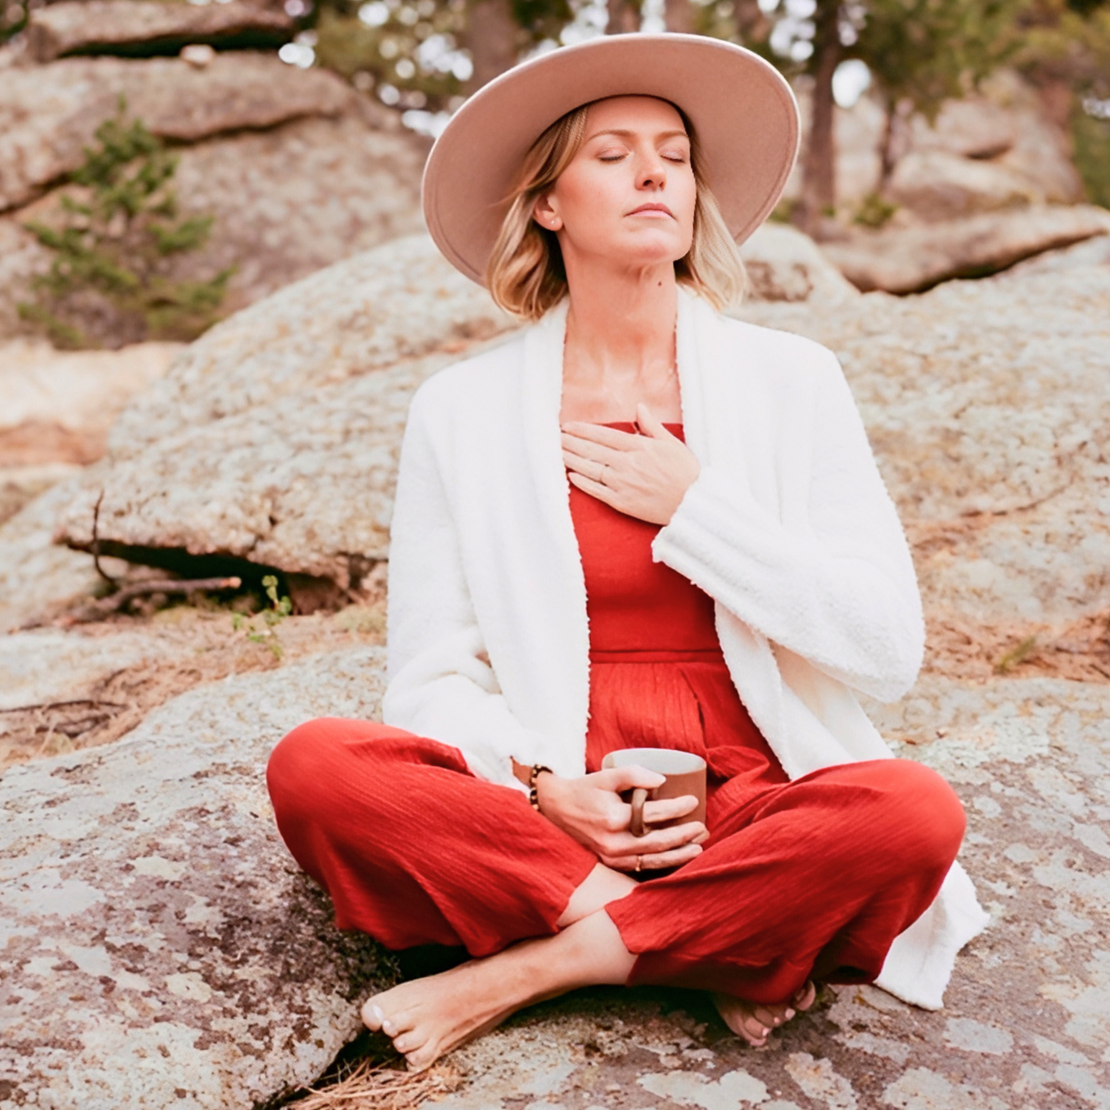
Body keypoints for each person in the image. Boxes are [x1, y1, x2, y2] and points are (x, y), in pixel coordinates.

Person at [266, 34, 989, 1073]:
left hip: (749, 800)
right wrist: (544, 787)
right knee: (317, 767)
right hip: (561, 807)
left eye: (675, 153)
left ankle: (531, 968)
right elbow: (429, 677)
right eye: (612, 153)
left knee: (911, 815)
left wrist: (696, 509)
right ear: (547, 202)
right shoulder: (461, 410)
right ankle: (708, 948)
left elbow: (886, 646)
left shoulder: (794, 379)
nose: (656, 172)